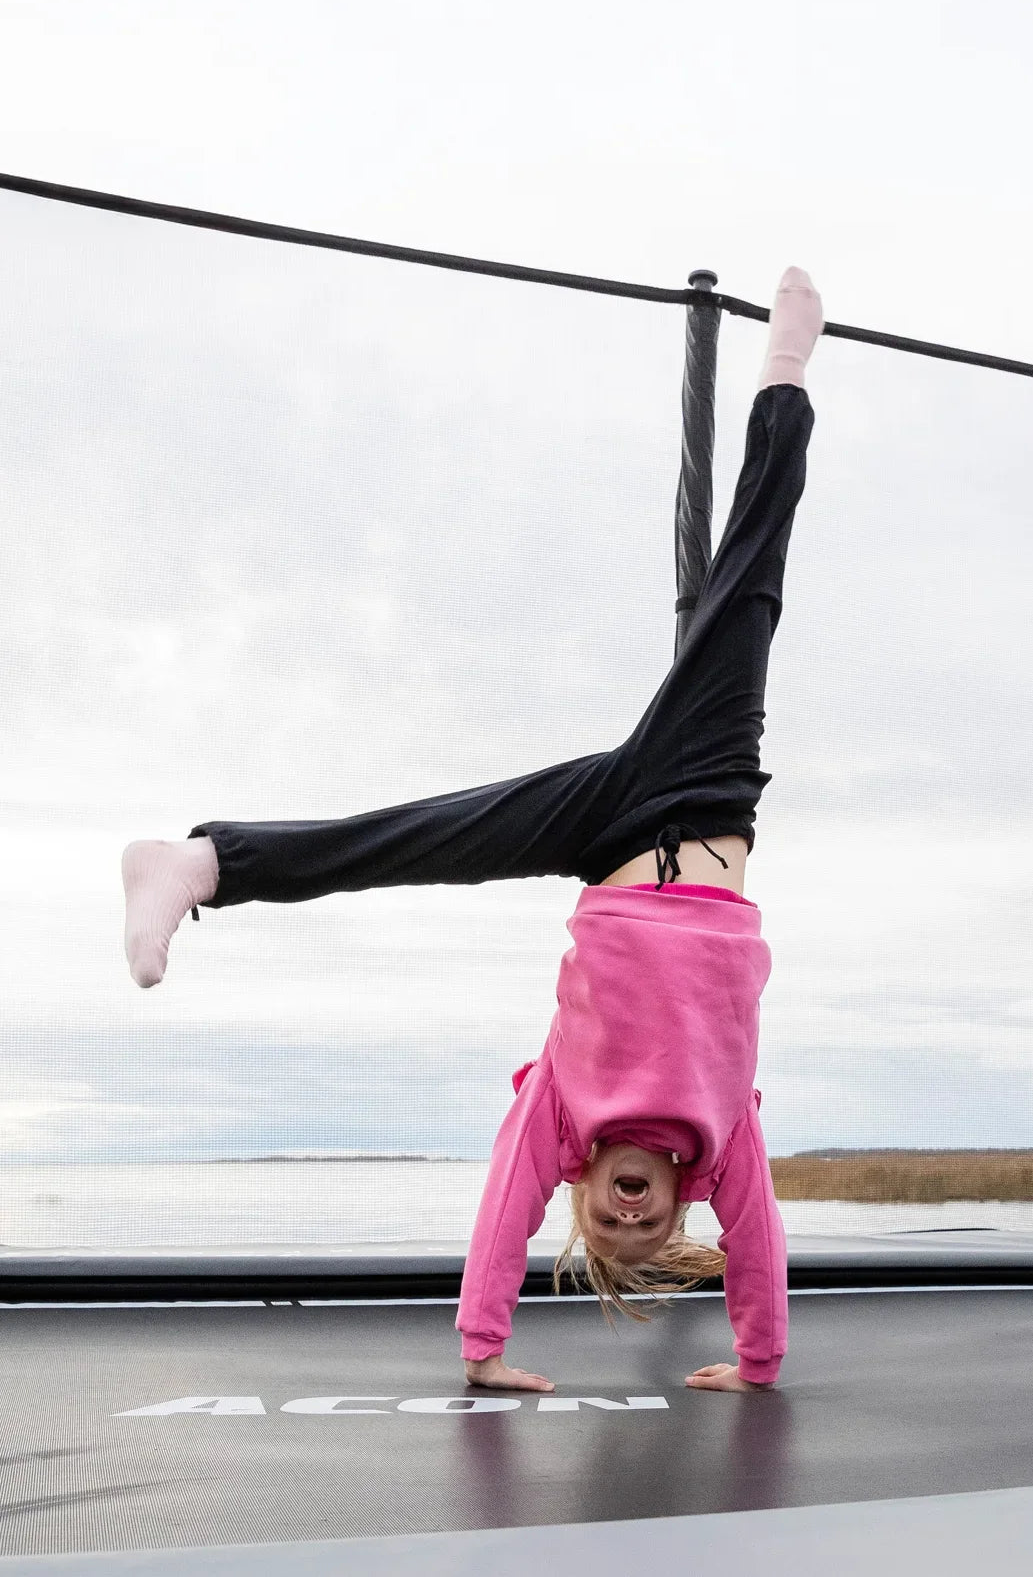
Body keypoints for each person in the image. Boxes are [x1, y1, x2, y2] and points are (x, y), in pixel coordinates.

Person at [121, 264, 823, 1397]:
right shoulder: (724, 1138)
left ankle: (197, 864)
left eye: (610, 1227)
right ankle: (786, 370)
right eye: (649, 1230)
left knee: (422, 838)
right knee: (747, 593)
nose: (629, 1215)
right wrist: (758, 1360)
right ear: (680, 1199)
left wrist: (484, 1348)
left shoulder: (559, 1117)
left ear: (588, 1193)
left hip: (603, 840)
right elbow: (762, 1250)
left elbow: (505, 1208)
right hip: (702, 807)